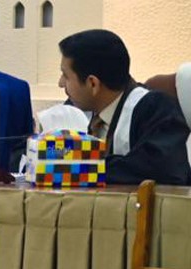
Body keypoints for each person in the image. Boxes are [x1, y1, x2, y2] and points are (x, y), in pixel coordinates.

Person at [58, 29, 190, 185]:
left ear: (93, 83)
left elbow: (159, 168)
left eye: (66, 76)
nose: (60, 83)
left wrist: (81, 167)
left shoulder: (155, 110)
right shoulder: (75, 110)